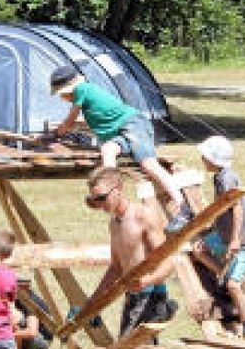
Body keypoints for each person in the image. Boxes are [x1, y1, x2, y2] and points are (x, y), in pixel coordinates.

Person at [49, 65, 192, 231]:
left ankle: (183, 207)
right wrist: (64, 128)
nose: (62, 98)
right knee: (108, 149)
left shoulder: (82, 89)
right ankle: (109, 195)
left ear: (68, 90)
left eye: (62, 94)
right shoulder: (87, 97)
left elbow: (71, 120)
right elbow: (93, 119)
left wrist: (56, 133)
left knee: (149, 165)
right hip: (121, 131)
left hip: (133, 124)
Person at [83, 167, 178, 339]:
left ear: (118, 189)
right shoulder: (114, 223)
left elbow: (169, 262)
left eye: (102, 198)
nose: (99, 204)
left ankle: (164, 308)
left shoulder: (143, 216)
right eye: (95, 199)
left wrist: (146, 281)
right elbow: (116, 268)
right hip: (133, 296)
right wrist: (93, 303)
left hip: (151, 294)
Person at [192, 136, 245, 336]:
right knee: (199, 249)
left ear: (214, 159)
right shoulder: (220, 176)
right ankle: (224, 272)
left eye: (205, 156)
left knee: (233, 285)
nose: (202, 159)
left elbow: (237, 209)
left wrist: (235, 240)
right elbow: (223, 210)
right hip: (224, 234)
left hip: (244, 239)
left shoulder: (227, 178)